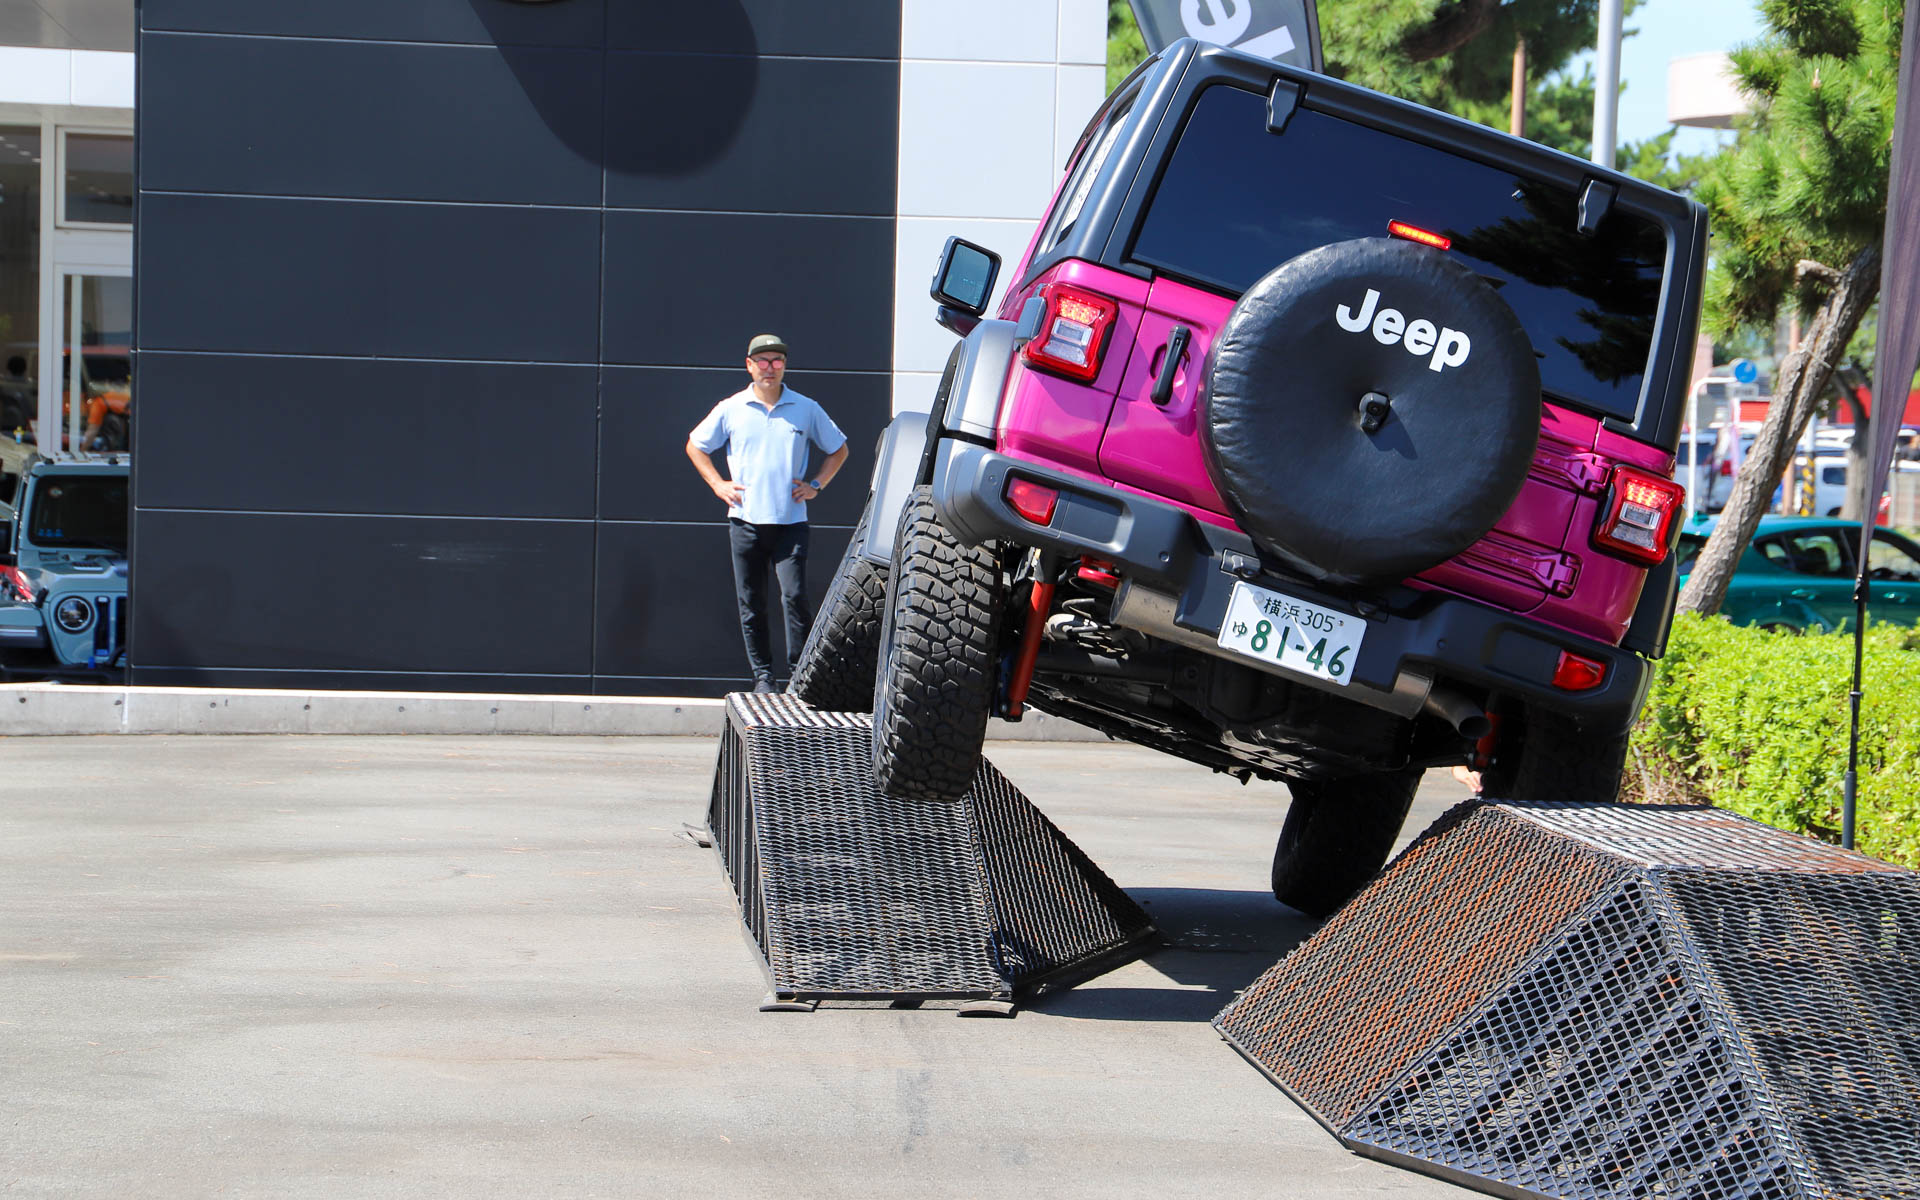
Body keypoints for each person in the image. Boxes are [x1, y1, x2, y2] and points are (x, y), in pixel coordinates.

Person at [686, 334, 850, 693]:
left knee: (794, 597)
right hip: (745, 522)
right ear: (749, 365)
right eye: (762, 361)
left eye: (776, 361)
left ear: (784, 365)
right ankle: (763, 676)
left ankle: (800, 677)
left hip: (791, 523)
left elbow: (839, 449)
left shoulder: (805, 408)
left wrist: (816, 484)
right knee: (752, 603)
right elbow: (696, 446)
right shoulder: (731, 408)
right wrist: (717, 484)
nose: (769, 368)